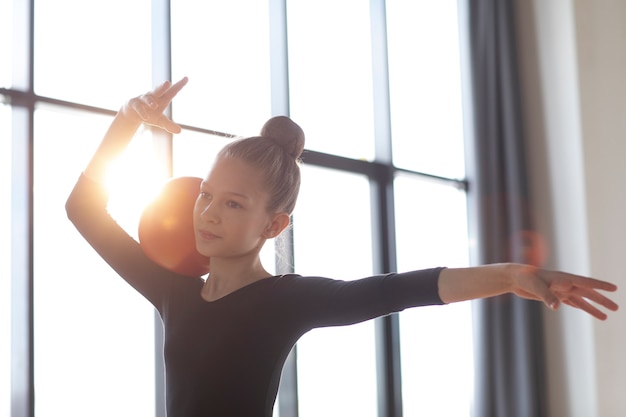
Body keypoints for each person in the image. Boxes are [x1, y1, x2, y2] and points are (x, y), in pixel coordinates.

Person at [66, 77, 619, 417]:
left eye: (234, 204)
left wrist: (509, 275)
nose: (208, 212)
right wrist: (126, 120)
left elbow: (401, 289)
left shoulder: (284, 302)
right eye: (206, 195)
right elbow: (83, 208)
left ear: (274, 225)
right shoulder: (173, 291)